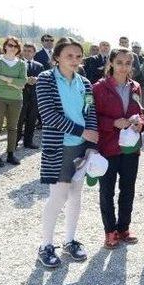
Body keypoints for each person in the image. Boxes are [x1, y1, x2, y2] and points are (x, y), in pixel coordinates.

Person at [35, 37, 99, 268]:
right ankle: (45, 245)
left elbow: (90, 112)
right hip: (60, 146)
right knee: (59, 196)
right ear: (57, 57)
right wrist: (82, 132)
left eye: (78, 56)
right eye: (69, 55)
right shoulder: (46, 79)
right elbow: (49, 115)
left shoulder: (85, 83)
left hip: (82, 146)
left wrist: (91, 142)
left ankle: (70, 240)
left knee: (75, 195)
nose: (74, 60)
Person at [93, 47, 144, 249]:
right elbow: (93, 118)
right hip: (107, 147)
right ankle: (110, 231)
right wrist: (112, 123)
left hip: (130, 147)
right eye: (120, 62)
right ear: (111, 64)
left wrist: (141, 123)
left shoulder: (136, 87)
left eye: (128, 63)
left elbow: (141, 113)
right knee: (107, 190)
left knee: (128, 188)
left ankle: (123, 228)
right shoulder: (98, 88)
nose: (124, 67)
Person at [0, 36, 27, 167]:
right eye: (10, 45)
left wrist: (5, 79)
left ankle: (10, 154)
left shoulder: (22, 63)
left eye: (15, 46)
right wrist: (14, 83)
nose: (12, 48)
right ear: (5, 46)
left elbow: (23, 82)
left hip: (16, 99)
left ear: (18, 48)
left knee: (13, 128)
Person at [17, 43, 44, 149]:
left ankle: (28, 142)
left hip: (34, 96)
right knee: (18, 120)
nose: (27, 53)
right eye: (25, 50)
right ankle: (14, 142)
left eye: (30, 51)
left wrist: (37, 80)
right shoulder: (17, 64)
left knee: (31, 120)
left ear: (34, 53)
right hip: (20, 96)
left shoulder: (39, 65)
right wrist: (26, 80)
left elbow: (43, 80)